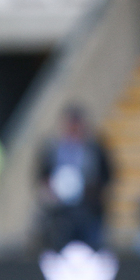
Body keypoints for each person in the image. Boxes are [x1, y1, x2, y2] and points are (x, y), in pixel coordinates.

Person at [35, 105, 114, 253]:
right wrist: (50, 189)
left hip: (88, 210)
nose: (73, 129)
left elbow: (108, 175)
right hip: (59, 212)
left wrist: (93, 191)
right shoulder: (52, 148)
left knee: (91, 250)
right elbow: (41, 176)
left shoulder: (94, 148)